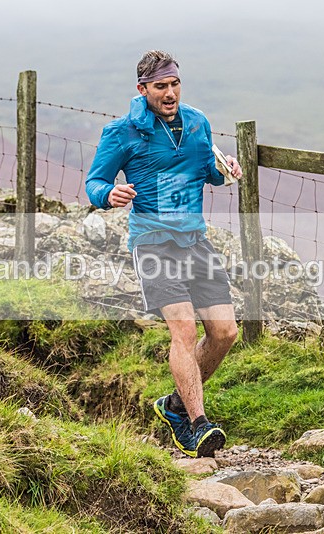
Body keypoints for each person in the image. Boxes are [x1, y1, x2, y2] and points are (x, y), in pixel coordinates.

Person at [86, 50, 243, 458]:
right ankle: (197, 425)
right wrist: (109, 194)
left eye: (175, 84)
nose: (170, 93)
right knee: (184, 331)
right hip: (153, 242)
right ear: (143, 90)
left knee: (225, 333)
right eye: (161, 87)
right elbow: (95, 182)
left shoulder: (197, 121)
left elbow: (207, 170)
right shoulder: (121, 133)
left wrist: (226, 170)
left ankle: (172, 406)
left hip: (195, 240)